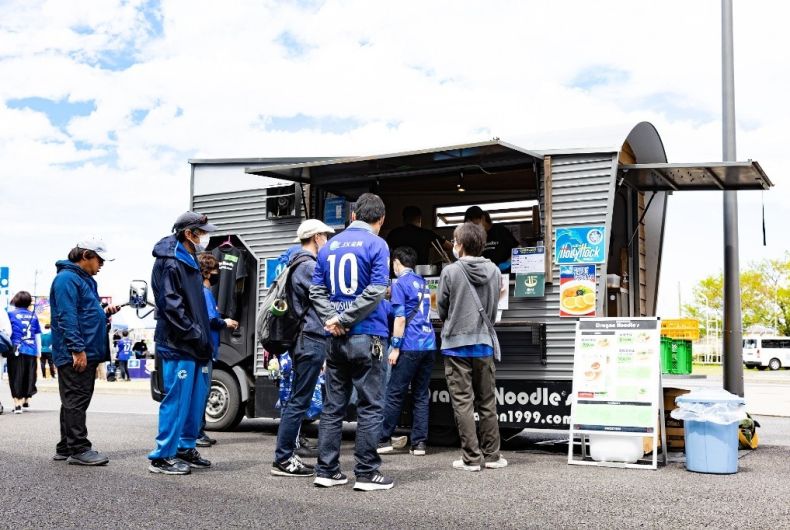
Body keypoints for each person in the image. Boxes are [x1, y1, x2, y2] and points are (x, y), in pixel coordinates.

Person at [310, 193, 394, 491]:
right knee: (370, 406)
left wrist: (333, 318)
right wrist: (345, 319)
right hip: (367, 334)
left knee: (333, 407)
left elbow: (315, 291)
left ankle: (327, 470)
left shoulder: (328, 246)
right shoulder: (377, 244)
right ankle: (367, 473)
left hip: (334, 339)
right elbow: (377, 289)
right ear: (380, 220)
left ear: (354, 216)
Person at [148, 211, 216, 475]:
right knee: (176, 400)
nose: (205, 236)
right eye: (202, 232)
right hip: (179, 343)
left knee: (195, 400)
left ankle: (185, 448)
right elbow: (171, 307)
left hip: (195, 343)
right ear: (189, 233)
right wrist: (195, 334)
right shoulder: (170, 261)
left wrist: (201, 338)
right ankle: (162, 456)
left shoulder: (188, 257)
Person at [437, 222, 507, 472]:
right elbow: (494, 306)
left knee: (463, 403)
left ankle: (471, 458)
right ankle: (493, 456)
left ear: (461, 244)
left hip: (456, 346)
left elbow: (442, 309)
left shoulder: (451, 272)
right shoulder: (495, 271)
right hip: (484, 344)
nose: (453, 245)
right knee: (487, 402)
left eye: (455, 240)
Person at [270, 219, 334, 477]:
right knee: (299, 400)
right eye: (326, 236)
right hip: (309, 339)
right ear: (317, 237)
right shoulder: (307, 265)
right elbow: (324, 298)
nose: (327, 240)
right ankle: (283, 459)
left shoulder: (294, 262)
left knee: (298, 398)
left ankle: (284, 456)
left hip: (303, 339)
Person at [50, 237, 120, 465]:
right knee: (76, 400)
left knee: (72, 399)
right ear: (86, 255)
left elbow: (85, 314)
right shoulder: (67, 279)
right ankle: (79, 449)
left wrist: (104, 313)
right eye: (99, 260)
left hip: (84, 350)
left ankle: (65, 446)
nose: (101, 265)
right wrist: (77, 349)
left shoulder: (83, 280)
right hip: (75, 352)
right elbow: (66, 316)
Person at [377, 246, 437, 457]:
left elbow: (400, 318)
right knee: (421, 395)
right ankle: (419, 443)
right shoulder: (423, 283)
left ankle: (383, 439)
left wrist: (395, 346)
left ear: (396, 262)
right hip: (429, 344)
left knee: (394, 393)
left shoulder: (399, 284)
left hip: (409, 345)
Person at [196, 252, 238, 447]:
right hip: (206, 349)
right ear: (207, 273)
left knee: (201, 391)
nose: (217, 273)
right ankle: (196, 432)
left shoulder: (203, 292)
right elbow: (211, 319)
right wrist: (226, 322)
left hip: (207, 348)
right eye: (215, 270)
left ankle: (198, 431)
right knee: (201, 392)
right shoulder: (204, 293)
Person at [6, 291, 41, 414]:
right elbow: (37, 336)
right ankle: (26, 399)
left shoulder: (10, 315)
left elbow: (8, 332)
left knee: (15, 376)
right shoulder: (34, 316)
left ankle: (17, 404)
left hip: (15, 349)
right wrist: (39, 353)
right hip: (31, 350)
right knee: (29, 376)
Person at [386, 206, 452, 265]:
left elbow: (386, 253)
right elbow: (449, 246)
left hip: (398, 273)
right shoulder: (427, 234)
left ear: (404, 218)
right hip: (421, 272)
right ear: (419, 218)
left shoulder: (394, 233)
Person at [463, 206, 519, 272]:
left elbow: (518, 249)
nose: (473, 228)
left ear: (483, 218)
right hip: (485, 276)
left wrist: (509, 262)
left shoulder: (500, 231)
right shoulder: (475, 238)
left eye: (475, 224)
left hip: (504, 275)